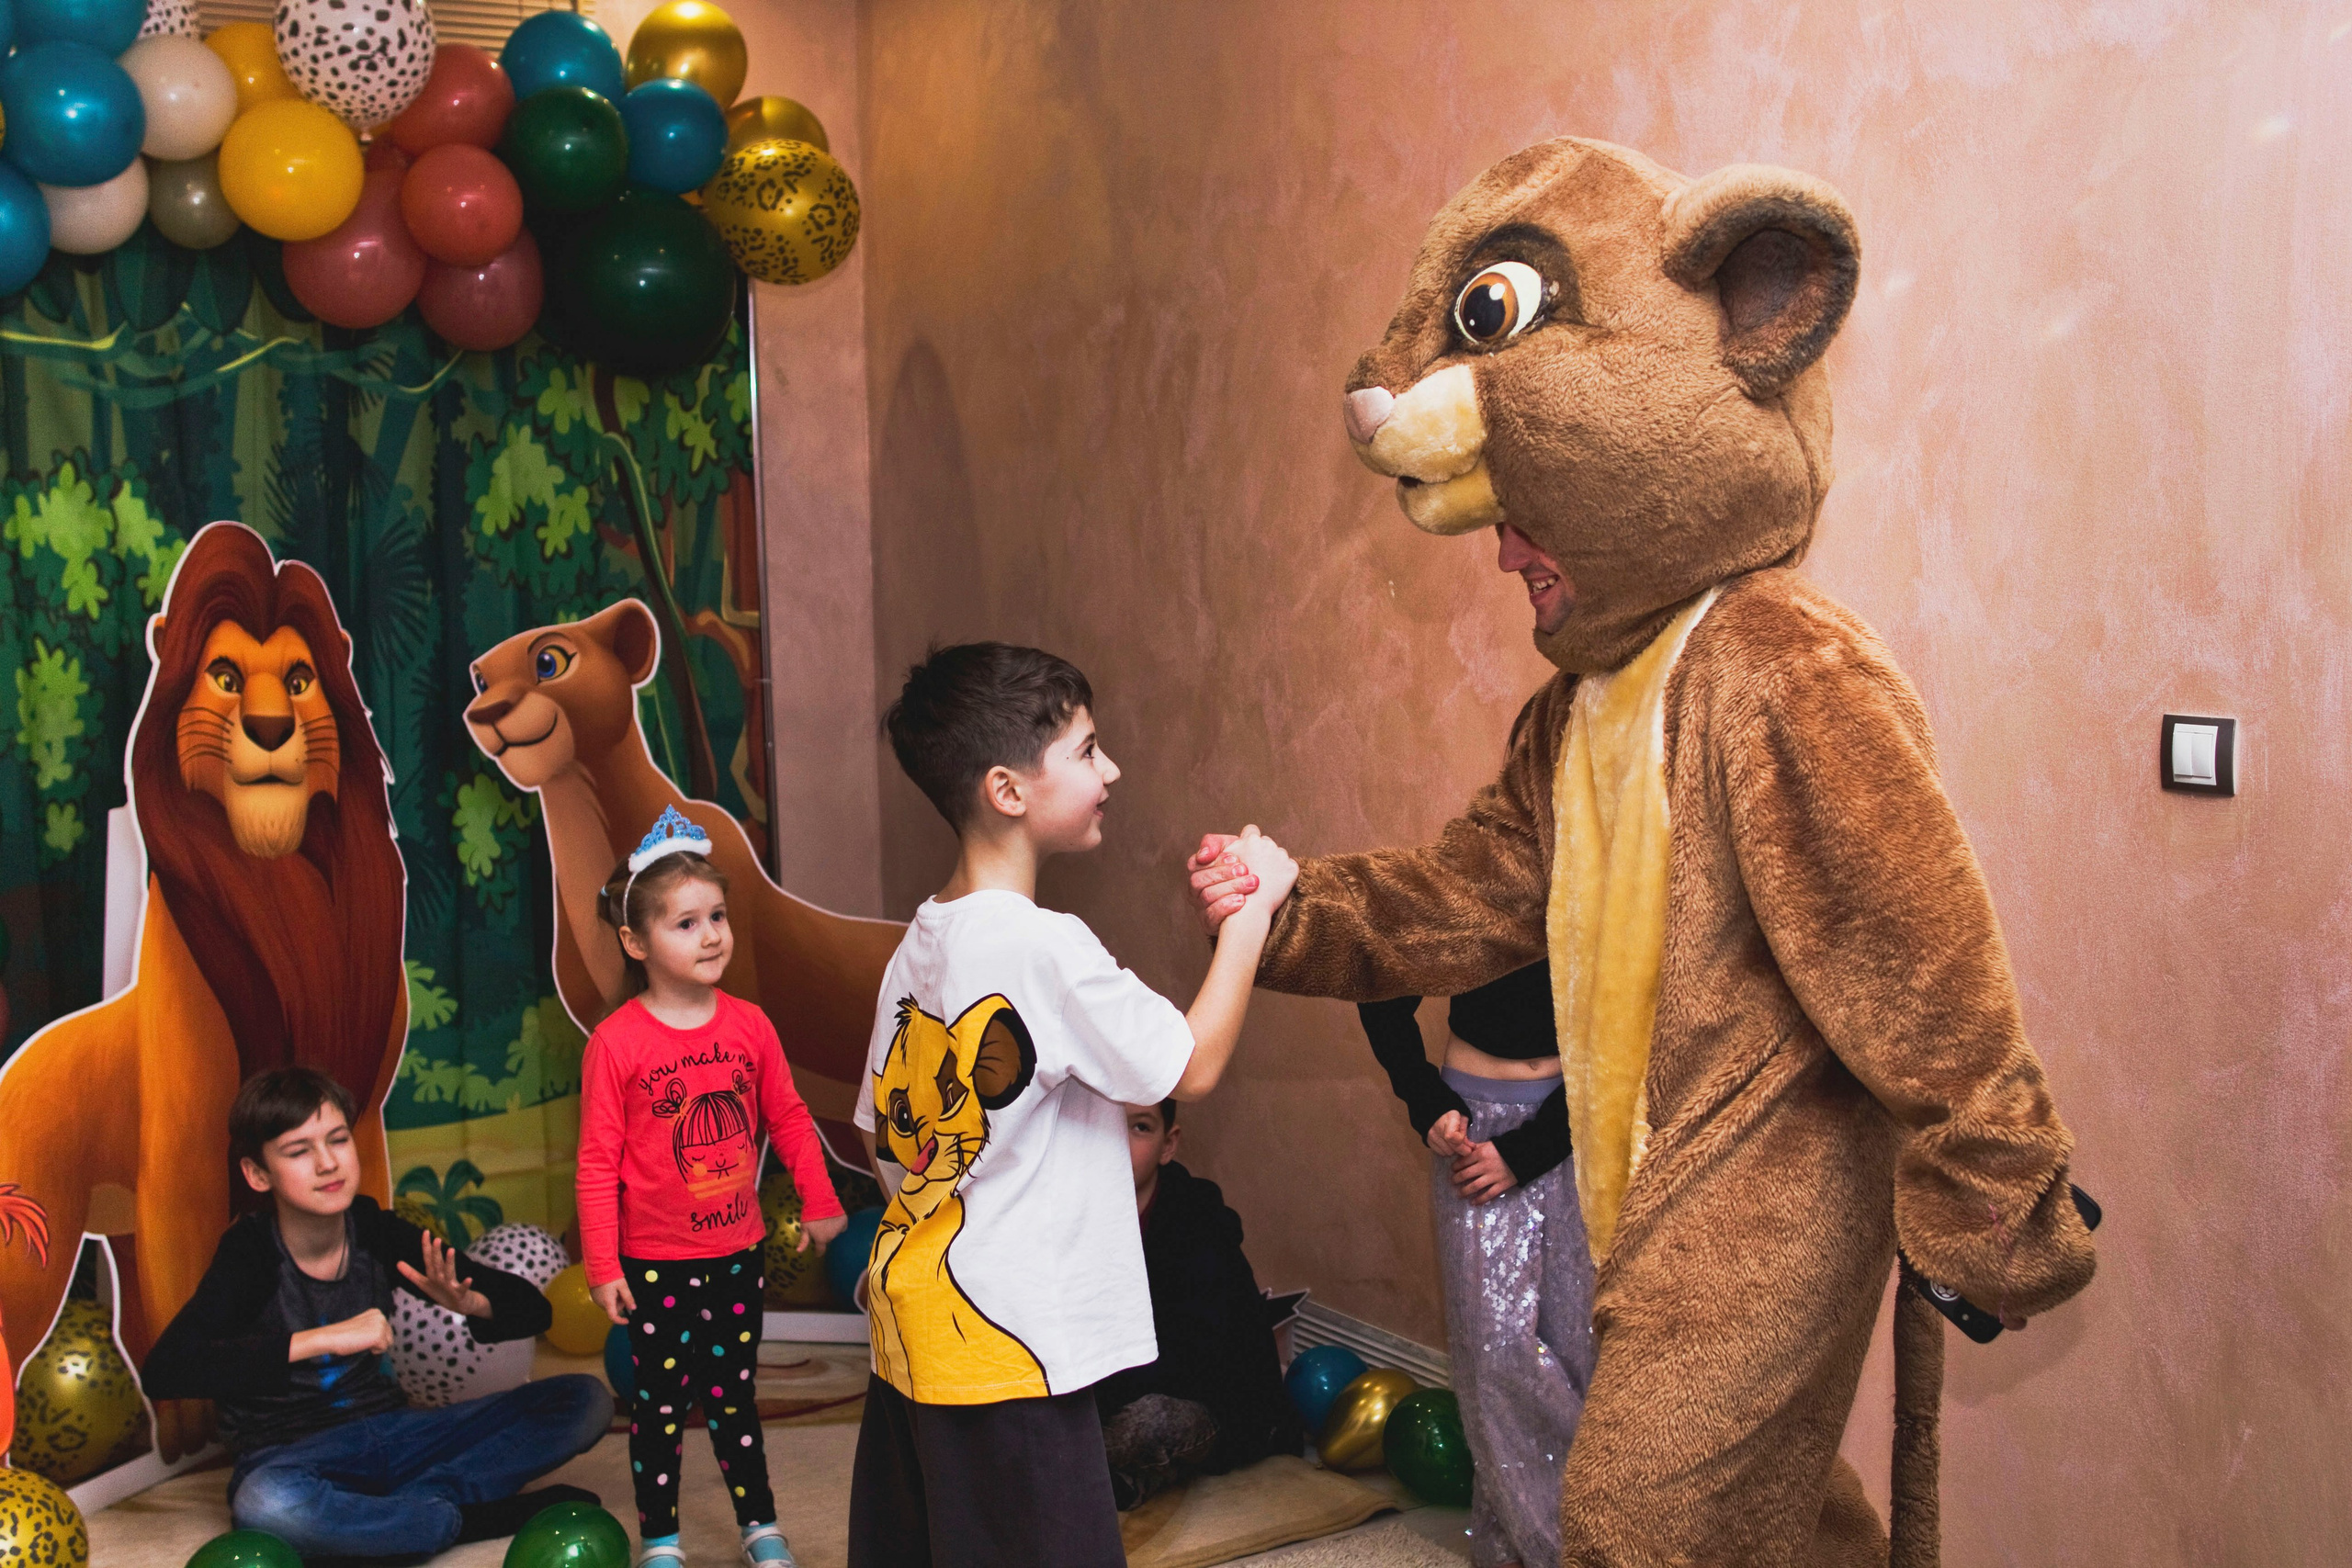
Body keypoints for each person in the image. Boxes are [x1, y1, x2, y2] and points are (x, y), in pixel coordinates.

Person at [847, 642, 1296, 1568]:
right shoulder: (1044, 946)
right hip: (1012, 1346)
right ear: (1009, 790)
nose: (1112, 770)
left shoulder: (919, 943)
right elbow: (1189, 1064)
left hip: (914, 1324)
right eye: (1088, 750)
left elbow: (880, 1136)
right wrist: (1249, 918)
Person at [141, 1067, 612, 1562]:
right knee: (267, 1506)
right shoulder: (250, 1253)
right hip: (292, 1455)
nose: (328, 1163)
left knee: (584, 1400)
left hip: (400, 1433)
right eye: (299, 1151)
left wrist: (473, 1303)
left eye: (338, 1140)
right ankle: (463, 1518)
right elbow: (166, 1369)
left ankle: (420, 1507)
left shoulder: (374, 1230)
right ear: (259, 1174)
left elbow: (536, 1310)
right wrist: (324, 1338)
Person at [577, 805, 848, 1568]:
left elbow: (789, 1117)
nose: (711, 935)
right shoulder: (616, 1043)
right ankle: (661, 1539)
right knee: (660, 1406)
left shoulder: (751, 1025)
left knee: (734, 1396)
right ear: (636, 942)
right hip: (654, 1261)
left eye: (718, 916)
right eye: (687, 923)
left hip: (737, 1252)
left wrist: (822, 1198)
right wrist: (602, 1264)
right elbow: (596, 1162)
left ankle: (760, 1523)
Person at [1356, 963, 1592, 1568]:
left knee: (1580, 1347)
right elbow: (1380, 990)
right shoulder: (1466, 898)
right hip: (1475, 1130)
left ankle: (1584, 1533)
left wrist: (1530, 1150)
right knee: (1495, 1353)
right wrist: (1428, 1102)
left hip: (1583, 1128)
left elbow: (1628, 1029)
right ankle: (1560, 1551)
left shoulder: (1607, 902)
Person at [1093, 1099, 1304, 1509]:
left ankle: (1093, 1469)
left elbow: (1198, 1361)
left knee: (1151, 1423)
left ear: (1168, 1144)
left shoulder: (1197, 1226)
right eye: (1104, 1126)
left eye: (1139, 1128)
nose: (1118, 1143)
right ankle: (1118, 1477)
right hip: (1110, 1390)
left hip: (1206, 1401)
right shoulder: (1072, 1213)